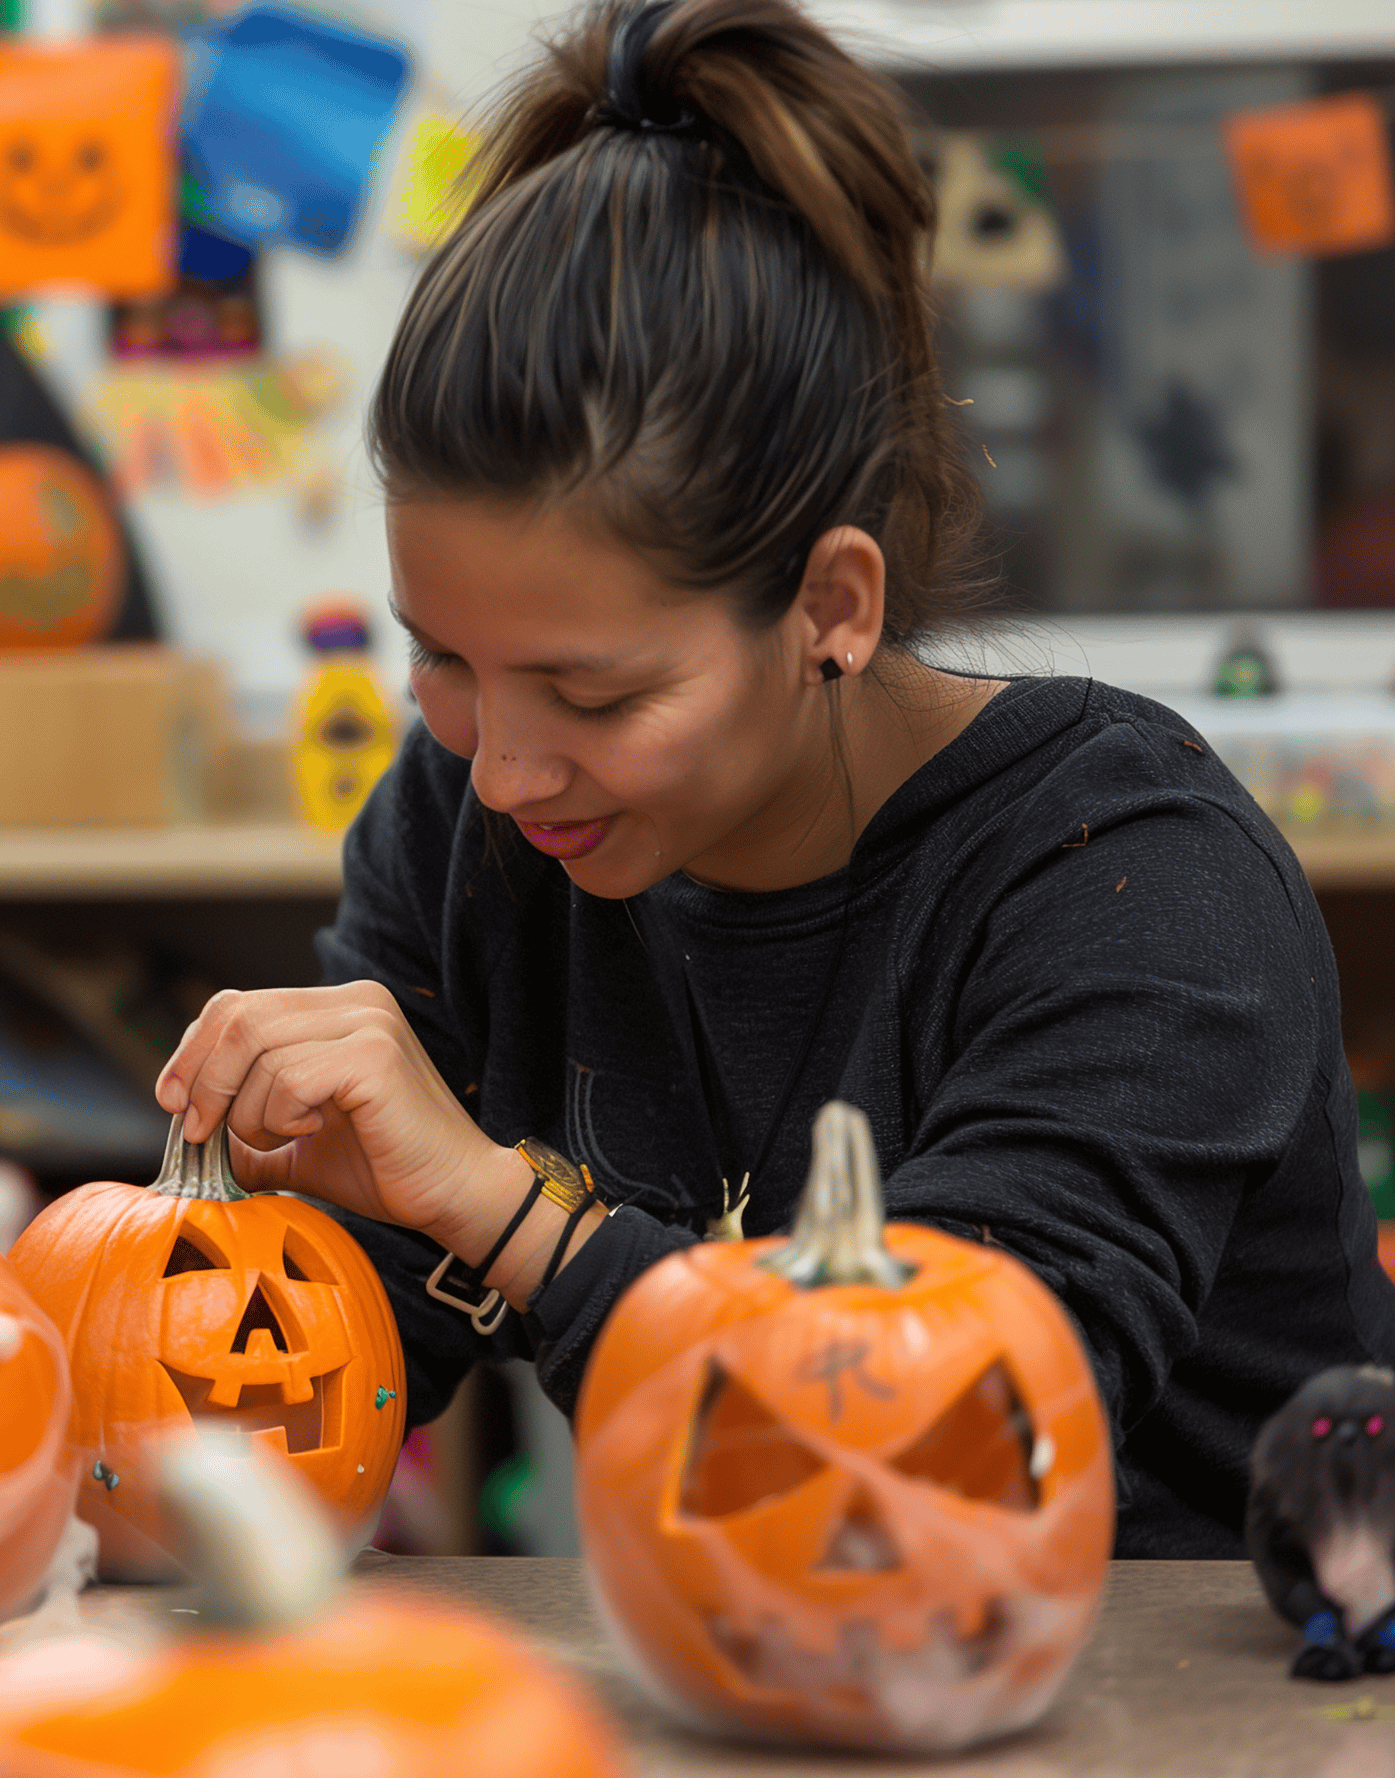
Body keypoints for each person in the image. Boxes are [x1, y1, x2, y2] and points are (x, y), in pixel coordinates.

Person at [155, 0, 1395, 1558]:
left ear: (832, 607)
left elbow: (933, 1453)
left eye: (594, 690)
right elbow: (331, 1351)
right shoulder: (464, 818)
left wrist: (505, 1210)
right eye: (446, 657)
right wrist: (159, 1304)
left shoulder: (1132, 875)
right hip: (729, 1662)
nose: (503, 764)